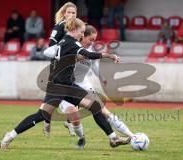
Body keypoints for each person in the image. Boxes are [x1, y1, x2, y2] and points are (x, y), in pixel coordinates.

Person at [0, 17, 129, 150]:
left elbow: (73, 56)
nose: (82, 34)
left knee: (95, 106)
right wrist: (109, 55)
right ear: (74, 30)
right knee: (41, 115)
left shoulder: (63, 42)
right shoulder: (72, 43)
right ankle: (10, 135)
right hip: (59, 87)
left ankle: (113, 138)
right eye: (81, 32)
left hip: (67, 85)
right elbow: (87, 54)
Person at [46, 2, 131, 146]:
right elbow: (51, 51)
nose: (91, 43)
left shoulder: (88, 49)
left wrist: (102, 78)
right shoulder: (71, 46)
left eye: (93, 40)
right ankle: (80, 138)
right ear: (80, 36)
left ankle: (127, 136)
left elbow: (94, 63)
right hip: (67, 86)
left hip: (83, 85)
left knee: (102, 110)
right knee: (75, 117)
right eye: (90, 39)